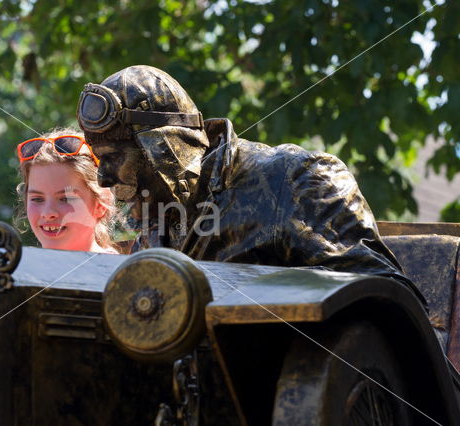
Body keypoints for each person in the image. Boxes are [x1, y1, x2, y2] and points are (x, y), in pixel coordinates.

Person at [76, 65, 424, 302]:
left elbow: (387, 298)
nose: (103, 177)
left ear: (162, 149)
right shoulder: (155, 229)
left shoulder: (295, 180)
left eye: (113, 157)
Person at [15, 128, 118, 254]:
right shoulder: (13, 270)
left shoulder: (124, 271)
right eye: (37, 199)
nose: (48, 213)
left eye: (65, 199)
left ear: (101, 204)